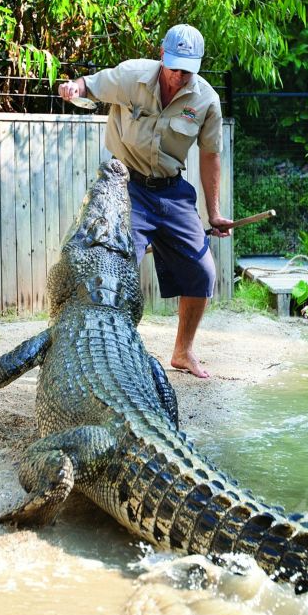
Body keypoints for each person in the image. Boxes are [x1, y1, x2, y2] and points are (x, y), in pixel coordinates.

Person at [57, 24, 234, 379]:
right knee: (114, 274)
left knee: (202, 272)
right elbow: (91, 85)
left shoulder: (206, 100)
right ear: (162, 55)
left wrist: (213, 213)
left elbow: (211, 155)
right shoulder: (132, 75)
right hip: (125, 188)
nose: (181, 76)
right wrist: (74, 87)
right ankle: (109, 354)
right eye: (176, 67)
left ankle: (183, 352)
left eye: (189, 70)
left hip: (171, 190)